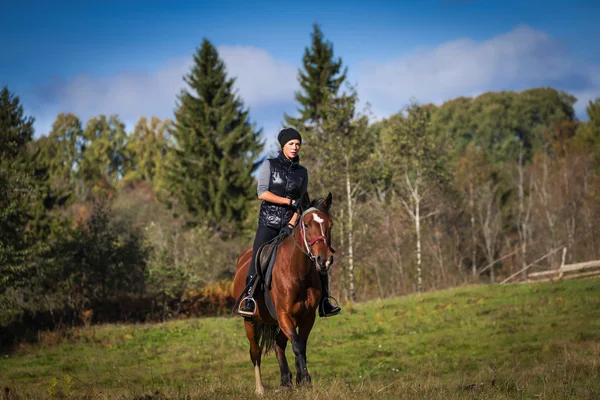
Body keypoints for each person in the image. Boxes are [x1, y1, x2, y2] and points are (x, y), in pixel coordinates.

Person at [238, 127, 341, 318]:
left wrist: (294, 220)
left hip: (293, 224)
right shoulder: (269, 165)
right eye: (291, 144)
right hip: (268, 222)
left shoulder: (302, 172)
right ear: (283, 146)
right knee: (258, 255)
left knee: (317, 256)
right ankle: (249, 298)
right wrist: (288, 202)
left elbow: (301, 201)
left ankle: (325, 300)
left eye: (297, 144)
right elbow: (262, 193)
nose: (294, 148)